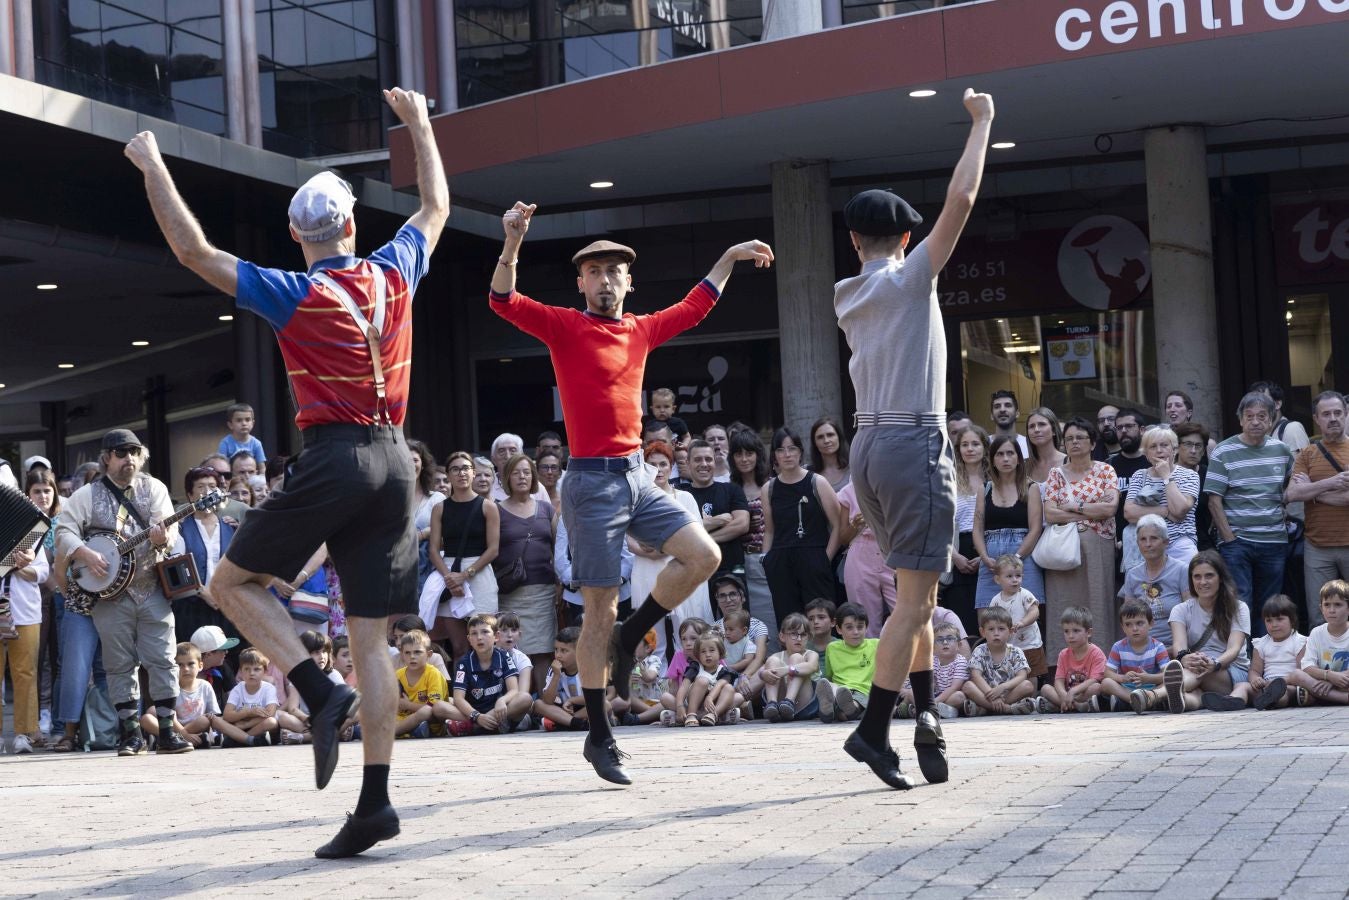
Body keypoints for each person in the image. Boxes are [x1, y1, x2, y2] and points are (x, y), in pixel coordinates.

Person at [125, 86, 448, 856]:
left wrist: (151, 166)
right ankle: (374, 803)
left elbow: (193, 252)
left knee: (228, 583)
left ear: (299, 236)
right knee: (369, 637)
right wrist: (421, 126)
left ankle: (313, 687)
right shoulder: (394, 272)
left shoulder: (296, 291)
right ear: (350, 225)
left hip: (337, 454)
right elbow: (434, 206)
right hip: (397, 457)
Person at [490, 197, 771, 784]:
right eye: (594, 272)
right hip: (590, 482)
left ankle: (629, 634)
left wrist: (727, 257)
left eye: (614, 271)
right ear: (581, 282)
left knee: (706, 555)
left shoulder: (640, 329)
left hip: (638, 475)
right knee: (598, 611)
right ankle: (599, 734)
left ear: (628, 281)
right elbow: (502, 300)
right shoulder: (564, 326)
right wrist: (513, 241)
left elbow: (695, 306)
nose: (605, 280)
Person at [829, 101, 992, 788]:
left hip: (866, 448)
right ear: (901, 241)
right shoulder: (905, 279)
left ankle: (926, 718)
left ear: (852, 242)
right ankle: (871, 730)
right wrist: (981, 122)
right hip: (911, 442)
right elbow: (963, 195)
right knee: (915, 602)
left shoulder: (848, 291)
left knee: (914, 597)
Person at [53, 428, 192, 757]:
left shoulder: (154, 488)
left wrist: (164, 539)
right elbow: (63, 531)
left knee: (163, 660)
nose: (128, 458)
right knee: (118, 664)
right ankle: (130, 734)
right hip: (109, 594)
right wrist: (84, 554)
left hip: (151, 587)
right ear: (106, 459)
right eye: (120, 452)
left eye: (133, 452)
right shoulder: (86, 495)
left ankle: (168, 732)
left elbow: (167, 527)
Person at [1204, 391, 1295, 638]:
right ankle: (1242, 660)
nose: (1255, 421)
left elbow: (1289, 488)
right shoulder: (1223, 451)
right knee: (1240, 603)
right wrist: (1230, 539)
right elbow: (1214, 500)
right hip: (1237, 542)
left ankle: (1268, 659)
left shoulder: (1283, 451)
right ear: (1240, 420)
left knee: (1270, 605)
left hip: (1274, 541)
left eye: (1261, 416)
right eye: (1249, 416)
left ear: (1271, 419)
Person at [627, 441, 712, 660]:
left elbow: (698, 539)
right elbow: (627, 539)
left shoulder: (685, 498)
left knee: (686, 632)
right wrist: (649, 551)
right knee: (652, 639)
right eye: (652, 464)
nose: (658, 469)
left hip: (679, 570)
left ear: (671, 466)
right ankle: (656, 686)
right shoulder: (634, 501)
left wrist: (665, 547)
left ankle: (690, 681)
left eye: (663, 464)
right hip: (647, 570)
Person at [1043, 417, 1120, 655]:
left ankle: (1103, 661)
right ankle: (1062, 663)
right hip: (1063, 551)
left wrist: (1071, 507)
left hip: (1098, 547)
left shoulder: (1105, 470)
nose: (1074, 443)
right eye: (1069, 439)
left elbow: (1109, 509)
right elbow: (1050, 513)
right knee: (1063, 604)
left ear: (1093, 443)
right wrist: (1088, 510)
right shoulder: (1055, 474)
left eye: (1080, 438)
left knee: (1099, 603)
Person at [423, 451, 500, 661]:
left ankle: (488, 692)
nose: (461, 473)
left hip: (479, 571)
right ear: (448, 475)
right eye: (455, 469)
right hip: (447, 570)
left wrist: (465, 575)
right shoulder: (439, 508)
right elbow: (433, 549)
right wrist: (450, 578)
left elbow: (493, 549)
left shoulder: (488, 506)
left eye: (466, 468)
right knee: (458, 647)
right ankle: (461, 693)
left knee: (484, 642)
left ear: (473, 472)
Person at [762, 426, 840, 629]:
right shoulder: (768, 488)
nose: (787, 454)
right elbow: (769, 530)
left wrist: (825, 558)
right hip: (781, 560)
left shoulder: (817, 482)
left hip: (814, 556)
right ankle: (793, 661)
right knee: (788, 623)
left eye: (792, 448)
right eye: (781, 449)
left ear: (801, 452)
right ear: (774, 455)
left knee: (821, 620)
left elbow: (838, 525)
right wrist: (766, 559)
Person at [1286, 391, 1349, 629]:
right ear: (1316, 418)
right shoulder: (1308, 455)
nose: (1333, 418)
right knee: (1319, 614)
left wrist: (1313, 492)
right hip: (1317, 547)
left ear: (1346, 415)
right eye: (1326, 414)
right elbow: (1292, 494)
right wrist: (1331, 484)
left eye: (1337, 413)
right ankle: (1320, 665)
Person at [1162, 551, 1252, 714]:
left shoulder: (1239, 608)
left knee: (1199, 671)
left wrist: (1214, 664)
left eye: (1209, 576)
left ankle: (1151, 697)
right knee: (1194, 694)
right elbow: (1179, 646)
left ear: (1220, 578)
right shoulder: (1180, 610)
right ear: (1191, 580)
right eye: (1197, 577)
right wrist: (1185, 657)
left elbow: (1234, 649)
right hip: (1195, 668)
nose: (1203, 582)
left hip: (1231, 671)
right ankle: (1180, 700)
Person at [495, 454, 557, 686]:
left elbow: (558, 549)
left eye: (527, 472)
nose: (522, 477)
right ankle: (519, 705)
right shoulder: (495, 510)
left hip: (543, 589)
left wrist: (560, 584)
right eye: (516, 472)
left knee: (542, 651)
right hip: (510, 591)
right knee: (511, 652)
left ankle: (545, 707)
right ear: (506, 477)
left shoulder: (546, 509)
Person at [0, 475, 51, 755]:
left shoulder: (31, 525)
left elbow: (42, 572)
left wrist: (24, 566)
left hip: (25, 609)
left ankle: (23, 734)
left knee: (25, 673)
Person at [973, 435, 1045, 624]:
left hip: (1023, 558)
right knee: (988, 620)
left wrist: (1016, 558)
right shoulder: (985, 488)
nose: (1005, 459)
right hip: (991, 561)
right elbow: (977, 529)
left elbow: (1035, 529)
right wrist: (984, 557)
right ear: (992, 460)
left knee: (1026, 619)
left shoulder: (1031, 488)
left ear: (1019, 459)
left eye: (1010, 453)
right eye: (1000, 454)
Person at [170, 466, 239, 645]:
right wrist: (203, 592)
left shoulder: (230, 527)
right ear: (190, 495)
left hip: (226, 607)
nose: (207, 492)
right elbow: (176, 570)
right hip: (191, 607)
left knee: (227, 657)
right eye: (201, 487)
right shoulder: (180, 528)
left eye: (212, 486)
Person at [1205, 594, 1305, 712]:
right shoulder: (1261, 644)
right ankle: (1231, 700)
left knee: (1283, 692)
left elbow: (1301, 673)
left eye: (1279, 619)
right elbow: (1255, 670)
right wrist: (1255, 679)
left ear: (1292, 620)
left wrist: (1280, 682)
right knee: (1241, 685)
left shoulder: (1300, 642)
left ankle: (1272, 701)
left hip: (1288, 685)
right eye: (1269, 620)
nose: (1274, 624)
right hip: (1265, 687)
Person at [1123, 427, 1200, 564]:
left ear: (1174, 450)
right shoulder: (1139, 475)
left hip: (1179, 544)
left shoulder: (1190, 475)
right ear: (1146, 454)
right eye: (1153, 446)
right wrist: (1164, 511)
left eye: (1164, 445)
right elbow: (1129, 513)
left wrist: (1166, 476)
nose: (1159, 450)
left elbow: (1180, 510)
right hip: (1146, 546)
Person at [728, 428, 774, 649]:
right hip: (738, 561)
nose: (744, 459)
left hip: (765, 559)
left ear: (758, 454)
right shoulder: (729, 488)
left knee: (769, 619)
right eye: (738, 454)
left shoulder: (772, 484)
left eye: (749, 453)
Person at [451, 613, 534, 733]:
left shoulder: (505, 657)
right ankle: (484, 725)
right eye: (474, 633)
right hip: (474, 711)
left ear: (496, 636)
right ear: (469, 639)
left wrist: (502, 700)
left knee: (525, 698)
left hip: (499, 710)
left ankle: (473, 727)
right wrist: (477, 716)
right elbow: (458, 699)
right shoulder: (464, 663)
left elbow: (514, 690)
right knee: (440, 706)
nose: (479, 637)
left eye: (485, 632)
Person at [1118, 514, 1188, 651]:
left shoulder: (1182, 570)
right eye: (1143, 539)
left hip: (1175, 649)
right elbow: (1127, 618)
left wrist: (1168, 652)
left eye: (1154, 538)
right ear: (1137, 543)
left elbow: (1191, 616)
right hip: (1141, 651)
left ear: (1166, 542)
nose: (1148, 544)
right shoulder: (1132, 574)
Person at [684, 439, 750, 581]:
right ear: (688, 463)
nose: (704, 464)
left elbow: (742, 524)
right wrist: (717, 521)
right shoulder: (680, 495)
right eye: (697, 460)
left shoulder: (732, 490)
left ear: (715, 462)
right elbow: (679, 531)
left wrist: (700, 538)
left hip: (732, 571)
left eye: (708, 459)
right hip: (693, 574)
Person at [836, 477, 894, 639]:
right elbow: (842, 538)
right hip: (860, 554)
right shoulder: (848, 491)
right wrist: (855, 525)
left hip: (892, 551)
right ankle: (867, 662)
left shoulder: (896, 484)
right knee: (863, 618)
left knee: (905, 612)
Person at [945, 425, 989, 636]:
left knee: (990, 618)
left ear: (985, 447)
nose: (970, 449)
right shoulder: (949, 479)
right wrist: (954, 557)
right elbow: (939, 523)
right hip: (957, 550)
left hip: (989, 550)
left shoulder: (995, 479)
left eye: (975, 444)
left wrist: (985, 556)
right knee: (962, 620)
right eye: (964, 445)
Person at [140, 642, 220, 748]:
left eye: (190, 664)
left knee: (205, 720)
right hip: (172, 727)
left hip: (196, 727)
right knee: (147, 716)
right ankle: (175, 738)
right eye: (180, 665)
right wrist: (184, 734)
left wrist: (210, 717)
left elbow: (213, 714)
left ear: (200, 665)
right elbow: (168, 714)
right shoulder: (170, 687)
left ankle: (168, 739)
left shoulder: (205, 686)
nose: (186, 669)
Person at [1099, 600, 1170, 714]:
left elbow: (1167, 674)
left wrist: (1148, 678)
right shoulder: (1118, 647)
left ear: (1151, 624)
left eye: (1139, 623)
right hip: (1127, 688)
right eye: (1128, 624)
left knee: (1169, 683)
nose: (1134, 628)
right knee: (1106, 683)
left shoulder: (1158, 647)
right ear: (1122, 627)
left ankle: (1138, 701)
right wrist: (1122, 678)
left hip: (1152, 689)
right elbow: (1107, 673)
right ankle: (1136, 701)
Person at [963, 607, 1035, 716]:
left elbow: (1022, 676)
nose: (996, 633)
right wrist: (992, 696)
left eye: (1001, 629)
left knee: (1027, 685)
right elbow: (975, 676)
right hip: (986, 695)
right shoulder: (979, 650)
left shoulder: (1015, 651)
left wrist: (1003, 687)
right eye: (991, 629)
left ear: (1010, 631)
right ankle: (1006, 708)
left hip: (1009, 694)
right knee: (968, 686)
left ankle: (986, 709)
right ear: (982, 632)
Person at [1287, 580, 1349, 706]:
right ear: (1321, 608)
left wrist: (1332, 681)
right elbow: (1307, 666)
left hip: (1344, 682)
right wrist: (1329, 676)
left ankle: (1317, 697)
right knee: (1296, 674)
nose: (1332, 610)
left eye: (1338, 605)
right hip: (1323, 681)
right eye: (1327, 605)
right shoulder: (1316, 632)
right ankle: (1342, 698)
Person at [816, 602, 879, 724]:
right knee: (832, 687)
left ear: (866, 627)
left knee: (849, 707)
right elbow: (829, 675)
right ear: (839, 629)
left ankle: (832, 712)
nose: (855, 632)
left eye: (860, 627)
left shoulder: (876, 645)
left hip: (864, 691)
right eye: (849, 627)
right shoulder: (832, 648)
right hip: (840, 690)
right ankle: (830, 707)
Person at [988, 554, 1046, 682]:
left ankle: (1032, 698)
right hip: (1009, 646)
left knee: (1031, 673)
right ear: (998, 579)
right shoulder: (995, 601)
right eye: (1009, 576)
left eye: (1018, 575)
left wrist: (1022, 622)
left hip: (1029, 644)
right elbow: (991, 620)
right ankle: (1019, 697)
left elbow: (1035, 611)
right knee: (1012, 674)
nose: (1015, 580)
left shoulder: (1024, 594)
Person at [1038, 607, 1107, 713]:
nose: (1070, 636)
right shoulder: (1063, 654)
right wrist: (1065, 695)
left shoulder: (1096, 653)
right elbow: (1059, 681)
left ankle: (1062, 705)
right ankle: (1073, 706)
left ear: (1088, 632)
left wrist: (1073, 692)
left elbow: (1094, 679)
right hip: (1066, 694)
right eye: (1066, 631)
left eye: (1076, 631)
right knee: (1045, 688)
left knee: (1096, 687)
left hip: (1083, 694)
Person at [898, 622, 968, 720]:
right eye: (939, 640)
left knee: (959, 697)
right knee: (911, 692)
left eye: (950, 638)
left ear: (959, 645)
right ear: (933, 647)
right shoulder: (932, 660)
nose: (945, 642)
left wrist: (934, 702)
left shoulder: (960, 661)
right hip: (934, 696)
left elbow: (954, 687)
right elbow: (927, 683)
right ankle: (939, 711)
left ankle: (924, 710)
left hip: (949, 696)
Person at [759, 613, 820, 723]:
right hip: (779, 706)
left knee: (796, 658)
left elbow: (812, 666)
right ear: (782, 636)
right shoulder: (777, 656)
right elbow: (761, 672)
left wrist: (787, 670)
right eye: (793, 634)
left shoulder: (811, 654)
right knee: (772, 661)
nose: (798, 638)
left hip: (803, 706)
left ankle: (789, 701)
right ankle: (772, 704)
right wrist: (763, 674)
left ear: (809, 637)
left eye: (803, 634)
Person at [394, 629, 454, 738]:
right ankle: (410, 731)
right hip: (402, 719)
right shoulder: (397, 675)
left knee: (425, 711)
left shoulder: (433, 674)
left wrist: (408, 705)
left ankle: (391, 733)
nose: (412, 656)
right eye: (407, 653)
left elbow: (433, 708)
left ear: (429, 654)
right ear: (402, 655)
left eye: (417, 652)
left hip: (430, 722)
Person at [219, 647, 282, 745]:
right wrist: (249, 712)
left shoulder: (269, 688)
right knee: (218, 720)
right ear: (241, 671)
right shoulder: (237, 689)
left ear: (265, 671)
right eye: (247, 669)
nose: (251, 673)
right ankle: (247, 739)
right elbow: (227, 715)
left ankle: (239, 739)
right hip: (238, 724)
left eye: (256, 669)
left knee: (272, 722)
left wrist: (246, 724)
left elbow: (270, 713)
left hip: (256, 726)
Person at [534, 626, 589, 731]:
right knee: (538, 704)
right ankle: (575, 723)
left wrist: (572, 701)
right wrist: (556, 676)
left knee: (605, 705)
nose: (558, 655)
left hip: (585, 708)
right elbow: (548, 701)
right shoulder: (554, 670)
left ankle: (565, 723)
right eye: (556, 650)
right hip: (563, 710)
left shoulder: (588, 668)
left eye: (564, 651)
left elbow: (595, 697)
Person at [408, 440, 445, 596]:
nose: (410, 464)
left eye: (415, 460)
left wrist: (423, 534)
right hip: (399, 573)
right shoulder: (391, 500)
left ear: (422, 465)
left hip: (430, 572)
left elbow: (448, 531)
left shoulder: (437, 498)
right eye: (405, 460)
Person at [681, 632, 741, 726]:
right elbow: (684, 687)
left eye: (712, 650)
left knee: (731, 690)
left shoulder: (725, 671)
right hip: (694, 704)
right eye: (703, 651)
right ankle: (691, 715)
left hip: (713, 705)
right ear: (698, 655)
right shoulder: (695, 667)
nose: (707, 655)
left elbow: (719, 685)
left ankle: (713, 715)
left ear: (720, 653)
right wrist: (679, 705)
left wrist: (710, 698)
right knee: (702, 681)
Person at [1175, 422, 1216, 551]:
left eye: (1198, 446)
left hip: (1204, 544)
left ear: (1204, 450)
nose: (1193, 451)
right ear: (1177, 446)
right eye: (1188, 444)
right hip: (1171, 543)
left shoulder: (1209, 474)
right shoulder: (1166, 472)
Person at [1025, 407, 1067, 486]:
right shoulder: (1023, 466)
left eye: (1042, 424)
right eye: (1031, 426)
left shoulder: (1069, 462)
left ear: (1054, 430)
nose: (1036, 429)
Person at [810, 416, 851, 492]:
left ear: (839, 437)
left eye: (830, 435)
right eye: (820, 437)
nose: (826, 440)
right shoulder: (809, 475)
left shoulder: (854, 469)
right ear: (814, 443)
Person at [989, 390, 1029, 457]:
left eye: (1008, 405)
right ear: (992, 416)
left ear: (1017, 414)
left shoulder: (1028, 444)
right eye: (997, 406)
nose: (1002, 410)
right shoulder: (984, 444)